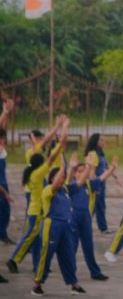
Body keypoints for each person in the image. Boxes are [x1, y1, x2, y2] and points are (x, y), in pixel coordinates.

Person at [7, 120, 67, 274]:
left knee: (36, 238)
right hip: (36, 210)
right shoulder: (38, 173)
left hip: (37, 208)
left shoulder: (31, 172)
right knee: (30, 236)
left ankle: (37, 265)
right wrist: (60, 144)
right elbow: (51, 159)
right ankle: (13, 259)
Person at [32, 155, 86, 296]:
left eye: (63, 176)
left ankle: (74, 285)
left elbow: (80, 182)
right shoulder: (48, 189)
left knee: (68, 256)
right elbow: (56, 184)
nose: (62, 178)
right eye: (59, 176)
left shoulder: (66, 190)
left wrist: (89, 167)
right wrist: (63, 167)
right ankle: (37, 285)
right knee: (46, 256)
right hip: (52, 226)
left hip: (65, 227)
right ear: (52, 179)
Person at [68, 151, 118, 282]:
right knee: (72, 246)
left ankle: (95, 272)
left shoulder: (89, 184)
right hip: (73, 218)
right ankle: (70, 271)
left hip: (86, 217)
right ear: (74, 173)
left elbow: (102, 178)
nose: (82, 173)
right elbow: (68, 179)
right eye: (79, 171)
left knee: (88, 246)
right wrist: (74, 168)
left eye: (83, 171)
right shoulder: (72, 185)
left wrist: (112, 168)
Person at [84, 133, 114, 234]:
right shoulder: (93, 154)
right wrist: (94, 185)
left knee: (100, 206)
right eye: (101, 140)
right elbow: (92, 171)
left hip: (102, 183)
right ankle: (84, 226)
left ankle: (103, 228)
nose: (103, 142)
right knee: (92, 206)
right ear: (95, 141)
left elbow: (106, 166)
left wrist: (114, 174)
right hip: (96, 183)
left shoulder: (100, 153)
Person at [0, 99, 14, 245]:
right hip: (0, 184)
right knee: (4, 210)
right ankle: (2, 234)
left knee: (5, 211)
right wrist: (4, 112)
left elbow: (2, 126)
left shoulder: (2, 149)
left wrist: (6, 112)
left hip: (3, 181)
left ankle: (2, 233)